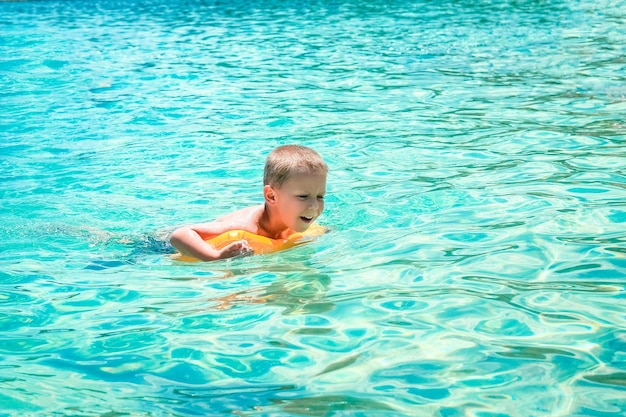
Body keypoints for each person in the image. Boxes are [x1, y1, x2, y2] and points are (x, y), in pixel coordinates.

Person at [170, 145, 328, 261]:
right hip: (159, 247)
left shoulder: (295, 222)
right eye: (303, 196)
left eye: (320, 196)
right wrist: (214, 257)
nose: (314, 205)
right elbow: (179, 235)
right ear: (271, 196)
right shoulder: (244, 226)